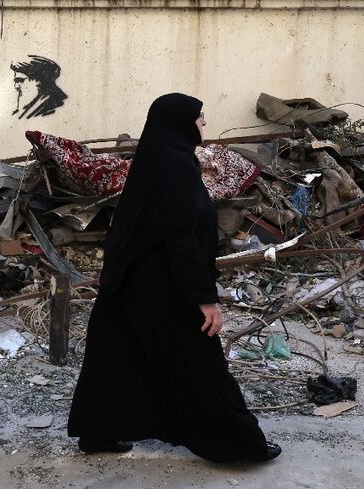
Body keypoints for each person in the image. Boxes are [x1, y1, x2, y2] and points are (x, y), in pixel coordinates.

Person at [67, 93, 281, 463]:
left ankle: (99, 431)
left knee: (119, 355)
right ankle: (239, 445)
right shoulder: (176, 168)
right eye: (199, 117)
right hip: (164, 285)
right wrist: (205, 298)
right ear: (180, 123)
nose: (203, 122)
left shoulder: (155, 161)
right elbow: (183, 239)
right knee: (200, 363)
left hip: (131, 280)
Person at [10, 55, 68, 119]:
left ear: (39, 81)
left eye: (20, 80)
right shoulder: (30, 107)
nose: (16, 86)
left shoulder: (54, 108)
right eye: (16, 81)